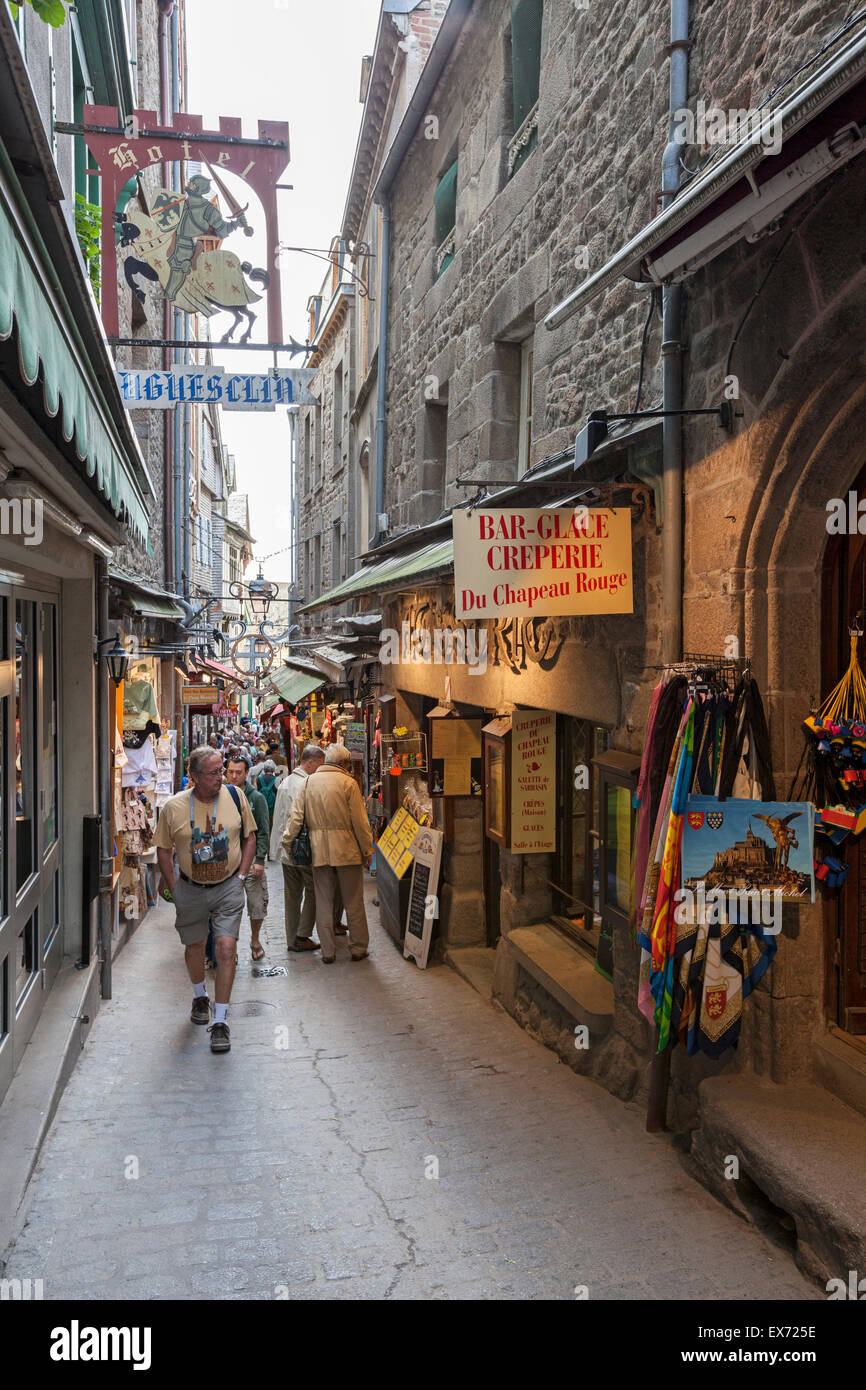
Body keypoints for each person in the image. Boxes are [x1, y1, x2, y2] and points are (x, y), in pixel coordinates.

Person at [155, 745, 257, 1053]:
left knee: (226, 948)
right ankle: (200, 995)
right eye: (213, 773)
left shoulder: (236, 797)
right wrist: (175, 884)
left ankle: (221, 1019)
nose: (220, 777)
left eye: (221, 770)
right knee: (195, 946)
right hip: (191, 887)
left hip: (228, 887)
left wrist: (241, 875)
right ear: (194, 777)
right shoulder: (173, 807)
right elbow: (162, 848)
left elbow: (250, 836)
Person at [284, 743, 373, 964]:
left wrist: (287, 843)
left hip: (318, 849)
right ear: (343, 763)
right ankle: (358, 947)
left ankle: (328, 951)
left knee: (323, 900)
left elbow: (295, 819)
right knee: (353, 899)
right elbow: (360, 822)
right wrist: (366, 849)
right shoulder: (348, 783)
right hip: (347, 848)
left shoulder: (307, 782)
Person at [272, 744, 324, 952]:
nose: (320, 769)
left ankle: (292, 938)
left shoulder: (286, 782)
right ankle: (302, 935)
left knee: (292, 895)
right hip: (300, 849)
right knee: (313, 890)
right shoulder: (305, 784)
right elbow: (298, 819)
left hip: (286, 850)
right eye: (319, 765)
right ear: (310, 762)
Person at [224, 754, 270, 962]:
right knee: (228, 907)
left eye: (238, 772)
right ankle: (230, 945)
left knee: (256, 904)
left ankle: (254, 939)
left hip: (251, 860)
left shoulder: (256, 798)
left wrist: (259, 859)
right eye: (231, 772)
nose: (234, 776)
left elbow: (263, 830)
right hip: (227, 861)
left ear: (246, 773)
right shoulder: (221, 795)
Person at [256, 759, 279, 828]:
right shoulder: (277, 779)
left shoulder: (259, 779)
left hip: (261, 808)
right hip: (273, 809)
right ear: (274, 769)